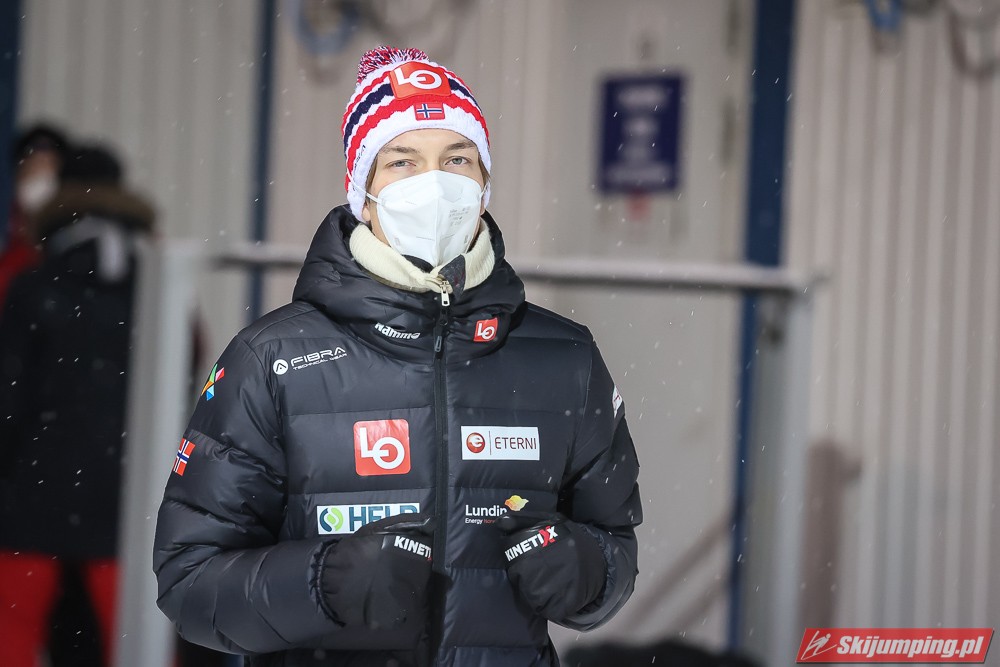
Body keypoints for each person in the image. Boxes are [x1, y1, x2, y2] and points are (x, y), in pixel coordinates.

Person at [153, 46, 642, 667]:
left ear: (483, 187)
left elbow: (614, 551)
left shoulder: (565, 358)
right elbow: (190, 582)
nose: (433, 183)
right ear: (363, 192)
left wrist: (584, 570)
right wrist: (324, 582)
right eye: (402, 161)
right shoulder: (271, 359)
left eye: (457, 159)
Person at [0, 144, 155, 667]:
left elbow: (8, 394)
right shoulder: (154, 279)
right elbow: (189, 365)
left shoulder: (35, 281)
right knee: (138, 634)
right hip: (127, 485)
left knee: (12, 629)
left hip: (34, 483)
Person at [0, 123, 68, 312]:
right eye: (31, 169)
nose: (39, 181)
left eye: (47, 169)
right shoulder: (7, 234)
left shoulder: (71, 239)